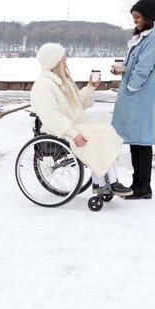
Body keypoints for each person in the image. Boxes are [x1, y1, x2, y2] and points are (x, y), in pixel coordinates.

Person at [30, 43, 132, 197]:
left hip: (75, 123)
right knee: (97, 134)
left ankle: (104, 183)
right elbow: (51, 117)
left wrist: (91, 87)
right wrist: (73, 133)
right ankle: (109, 183)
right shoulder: (43, 86)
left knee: (106, 129)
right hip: (61, 130)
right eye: (62, 57)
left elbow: (77, 103)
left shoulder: (63, 81)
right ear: (54, 61)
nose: (65, 59)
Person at [111, 0, 155, 200]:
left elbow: (143, 68)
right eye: (134, 18)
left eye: (138, 17)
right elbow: (135, 64)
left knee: (142, 142)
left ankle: (144, 187)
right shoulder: (143, 37)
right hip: (134, 95)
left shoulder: (153, 38)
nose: (135, 21)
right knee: (136, 141)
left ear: (148, 17)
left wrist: (131, 87)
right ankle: (138, 184)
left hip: (139, 96)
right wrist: (121, 70)